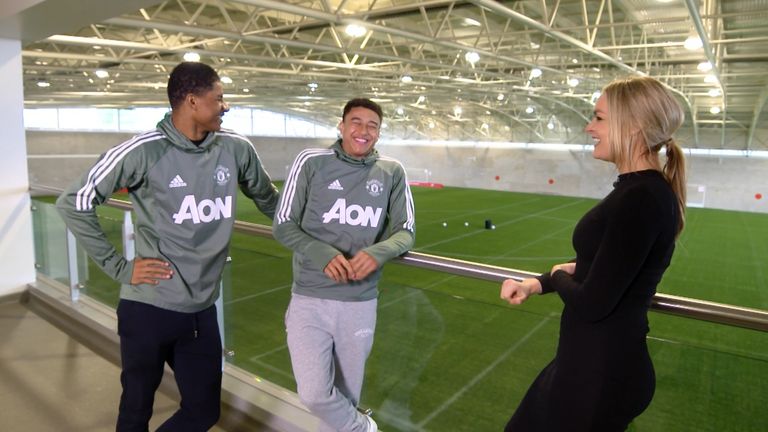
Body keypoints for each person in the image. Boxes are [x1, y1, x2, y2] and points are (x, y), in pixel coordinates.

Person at [56, 61, 279, 431]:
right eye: (219, 98)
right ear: (192, 101)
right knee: (136, 411)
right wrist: (120, 267)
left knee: (204, 411)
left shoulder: (236, 148)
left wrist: (312, 236)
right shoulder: (144, 150)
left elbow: (271, 201)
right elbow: (73, 202)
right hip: (149, 308)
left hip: (202, 310)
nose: (226, 106)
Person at [500, 76, 687, 432]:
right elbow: (604, 269)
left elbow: (593, 301)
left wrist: (556, 274)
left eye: (599, 118)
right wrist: (538, 284)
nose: (589, 127)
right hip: (587, 365)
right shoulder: (638, 192)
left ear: (633, 127)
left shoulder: (641, 198)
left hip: (601, 375)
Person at [273, 98, 415, 432]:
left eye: (372, 125)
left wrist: (379, 252)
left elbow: (405, 232)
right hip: (309, 298)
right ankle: (365, 429)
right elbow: (283, 224)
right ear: (341, 126)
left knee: (345, 400)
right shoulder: (311, 161)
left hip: (359, 303)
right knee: (314, 394)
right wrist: (321, 253)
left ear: (379, 133)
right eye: (356, 122)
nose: (363, 131)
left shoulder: (392, 171)